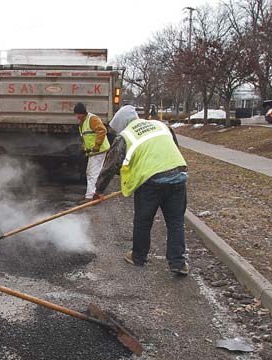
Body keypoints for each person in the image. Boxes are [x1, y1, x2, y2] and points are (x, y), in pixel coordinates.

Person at [93, 105, 189, 275]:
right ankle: (178, 262)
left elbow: (110, 166)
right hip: (178, 175)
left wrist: (99, 190)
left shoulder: (125, 136)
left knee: (143, 221)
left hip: (151, 182)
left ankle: (138, 256)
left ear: (122, 124)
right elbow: (173, 147)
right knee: (175, 222)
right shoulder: (161, 126)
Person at [74, 103, 111, 203]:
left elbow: (102, 131)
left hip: (98, 150)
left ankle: (90, 197)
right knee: (94, 172)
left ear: (82, 113)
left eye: (78, 114)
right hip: (94, 151)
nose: (77, 116)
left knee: (92, 173)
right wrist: (84, 147)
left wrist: (97, 145)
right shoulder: (83, 121)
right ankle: (95, 194)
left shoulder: (92, 119)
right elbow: (87, 136)